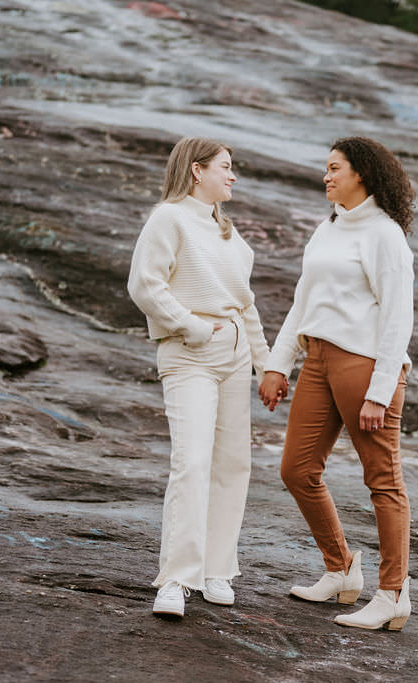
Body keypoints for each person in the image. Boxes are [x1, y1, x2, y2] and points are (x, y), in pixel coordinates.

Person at [258, 136, 415, 631]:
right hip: (319, 361)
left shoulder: (385, 235)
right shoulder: (326, 229)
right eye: (325, 169)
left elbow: (397, 317)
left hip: (364, 366)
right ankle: (342, 568)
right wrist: (278, 363)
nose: (325, 176)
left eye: (334, 168)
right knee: (297, 469)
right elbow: (304, 302)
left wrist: (379, 390)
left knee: (382, 480)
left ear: (362, 174)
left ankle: (392, 594)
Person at [128, 136, 279, 618]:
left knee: (233, 464)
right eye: (226, 167)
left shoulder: (230, 235)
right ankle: (175, 580)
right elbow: (144, 285)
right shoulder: (168, 219)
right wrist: (191, 327)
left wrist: (266, 364)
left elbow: (246, 303)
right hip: (189, 353)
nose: (233, 176)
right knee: (191, 462)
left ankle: (217, 569)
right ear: (197, 170)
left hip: (234, 355)